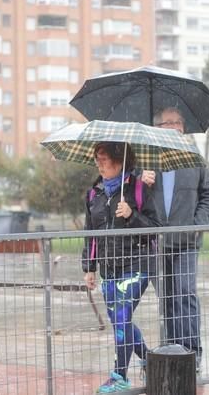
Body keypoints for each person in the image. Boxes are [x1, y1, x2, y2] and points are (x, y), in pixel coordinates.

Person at [140, 107, 209, 370]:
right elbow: (131, 199)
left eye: (178, 123)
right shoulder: (146, 158)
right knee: (167, 299)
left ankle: (192, 352)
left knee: (184, 292)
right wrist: (141, 183)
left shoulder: (193, 158)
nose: (174, 127)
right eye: (167, 123)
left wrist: (198, 224)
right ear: (157, 128)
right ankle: (171, 351)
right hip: (156, 243)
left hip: (186, 242)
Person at [82, 142, 161, 393]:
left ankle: (119, 376)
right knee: (120, 322)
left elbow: (155, 228)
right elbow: (91, 234)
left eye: (104, 158)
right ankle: (149, 360)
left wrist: (131, 215)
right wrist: (89, 267)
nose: (99, 163)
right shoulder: (94, 194)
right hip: (109, 269)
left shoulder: (138, 188)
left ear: (120, 160)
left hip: (137, 265)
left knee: (121, 318)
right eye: (97, 159)